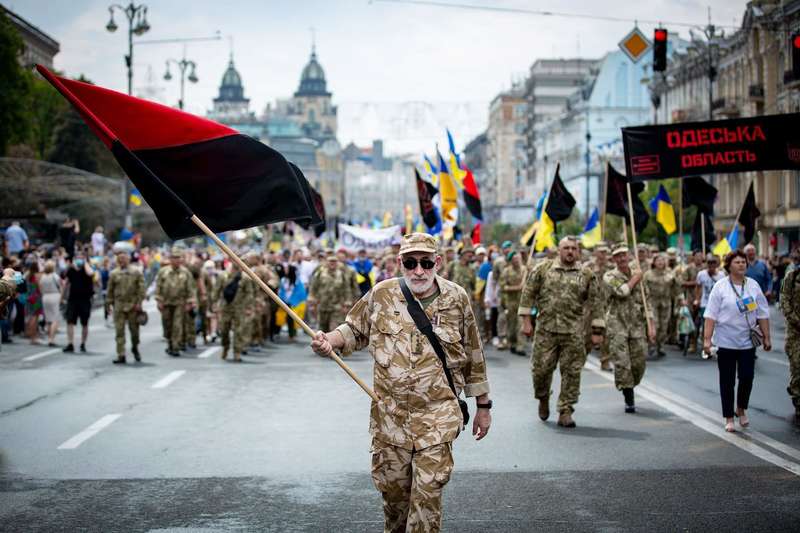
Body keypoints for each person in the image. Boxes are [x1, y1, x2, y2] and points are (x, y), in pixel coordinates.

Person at [310, 233, 491, 533]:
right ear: (400, 263)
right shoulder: (381, 294)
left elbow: (474, 354)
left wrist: (483, 406)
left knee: (427, 499)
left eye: (425, 262)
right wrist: (327, 340)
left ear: (438, 262)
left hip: (437, 417)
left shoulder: (457, 298)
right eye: (410, 263)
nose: (418, 270)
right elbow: (353, 329)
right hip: (390, 419)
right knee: (395, 503)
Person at [519, 236, 604, 427]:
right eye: (566, 248)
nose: (570, 251)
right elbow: (528, 294)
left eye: (574, 248)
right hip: (545, 332)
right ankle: (542, 398)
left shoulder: (587, 274)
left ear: (578, 251)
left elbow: (596, 302)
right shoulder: (543, 269)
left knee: (572, 372)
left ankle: (565, 410)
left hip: (574, 332)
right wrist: (526, 321)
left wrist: (597, 330)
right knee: (540, 371)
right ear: (559, 250)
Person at [703, 250, 771, 432]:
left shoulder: (753, 286)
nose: (741, 264)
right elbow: (710, 315)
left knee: (747, 377)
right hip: (725, 342)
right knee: (727, 381)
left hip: (747, 342)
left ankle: (741, 409)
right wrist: (707, 340)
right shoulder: (721, 287)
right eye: (737, 262)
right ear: (729, 266)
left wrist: (767, 337)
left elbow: (763, 313)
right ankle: (728, 417)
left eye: (743, 262)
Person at [604, 244, 655, 413]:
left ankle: (631, 385)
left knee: (639, 362)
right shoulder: (609, 275)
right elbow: (623, 291)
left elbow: (647, 301)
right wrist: (636, 278)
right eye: (617, 256)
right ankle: (629, 396)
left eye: (624, 255)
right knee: (622, 363)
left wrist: (651, 326)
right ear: (613, 259)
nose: (622, 258)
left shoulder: (639, 275)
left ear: (629, 256)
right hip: (617, 324)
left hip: (637, 325)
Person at [107, 251, 145, 364]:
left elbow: (141, 288)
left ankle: (135, 347)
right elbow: (110, 290)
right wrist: (108, 303)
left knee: (134, 331)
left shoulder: (136, 272)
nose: (121, 260)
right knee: (119, 331)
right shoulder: (114, 273)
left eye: (124, 258)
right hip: (119, 305)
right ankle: (121, 354)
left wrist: (139, 302)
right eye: (119, 258)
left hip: (132, 305)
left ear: (128, 259)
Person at [155, 247, 195, 356]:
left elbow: (190, 288)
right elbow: (158, 287)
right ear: (170, 259)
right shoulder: (163, 272)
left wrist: (190, 302)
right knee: (167, 325)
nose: (176, 260)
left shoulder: (185, 272)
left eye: (178, 258)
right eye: (174, 258)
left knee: (177, 325)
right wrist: (158, 301)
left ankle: (176, 346)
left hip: (180, 303)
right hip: (166, 302)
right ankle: (170, 343)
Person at [643, 254, 679, 358]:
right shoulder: (648, 274)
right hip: (652, 302)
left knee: (664, 326)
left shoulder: (670, 274)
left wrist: (680, 298)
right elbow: (643, 289)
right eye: (658, 260)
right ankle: (651, 344)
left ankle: (660, 346)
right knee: (655, 324)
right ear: (653, 262)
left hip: (666, 302)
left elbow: (676, 288)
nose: (660, 262)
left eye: (662, 260)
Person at [308, 251, 353, 333]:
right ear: (326, 262)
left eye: (334, 261)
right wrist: (312, 301)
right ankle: (324, 345)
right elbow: (314, 287)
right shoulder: (320, 273)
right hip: (322, 306)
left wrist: (347, 303)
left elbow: (347, 289)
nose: (332, 263)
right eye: (330, 261)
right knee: (322, 330)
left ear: (337, 263)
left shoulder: (341, 274)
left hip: (336, 307)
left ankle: (333, 345)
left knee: (334, 329)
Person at [779, 252, 800, 426]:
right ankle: (798, 402)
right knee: (797, 367)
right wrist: (796, 321)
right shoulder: (792, 276)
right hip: (796, 331)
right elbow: (784, 301)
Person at [62, 253, 95, 353]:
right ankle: (70, 343)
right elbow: (66, 283)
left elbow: (91, 274)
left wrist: (85, 263)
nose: (79, 260)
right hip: (73, 299)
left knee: (84, 323)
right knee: (70, 321)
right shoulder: (71, 270)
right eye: (77, 258)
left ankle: (83, 343)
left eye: (81, 258)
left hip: (85, 300)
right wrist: (62, 297)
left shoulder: (88, 268)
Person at [694, 255, 725, 359]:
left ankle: (717, 346)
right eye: (709, 263)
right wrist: (697, 299)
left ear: (717, 264)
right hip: (705, 304)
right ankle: (706, 347)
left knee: (718, 326)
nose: (711, 265)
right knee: (706, 326)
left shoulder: (721, 275)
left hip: (718, 305)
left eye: (713, 263)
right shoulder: (701, 274)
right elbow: (698, 288)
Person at [499, 251, 526, 356]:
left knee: (521, 323)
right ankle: (512, 343)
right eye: (514, 259)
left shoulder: (525, 270)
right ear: (511, 261)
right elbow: (503, 287)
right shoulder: (506, 271)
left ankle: (520, 346)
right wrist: (516, 288)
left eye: (518, 259)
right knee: (512, 324)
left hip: (522, 301)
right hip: (511, 302)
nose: (517, 261)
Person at [38, 260, 63, 347]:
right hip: (54, 295)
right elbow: (61, 287)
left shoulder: (43, 277)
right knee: (55, 319)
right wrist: (61, 297)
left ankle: (49, 337)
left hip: (45, 297)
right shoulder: (55, 276)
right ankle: (51, 339)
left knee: (48, 319)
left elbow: (40, 288)